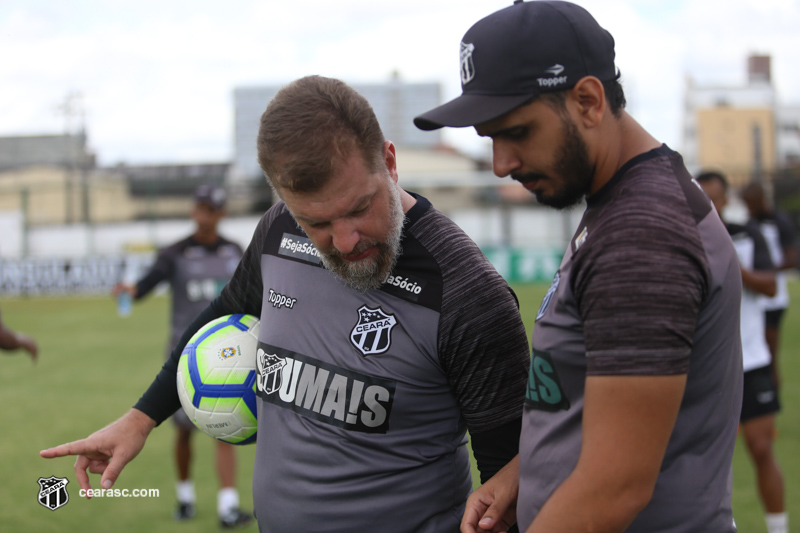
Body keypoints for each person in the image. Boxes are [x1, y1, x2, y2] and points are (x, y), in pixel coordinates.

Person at [41, 75, 531, 533]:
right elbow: (221, 314)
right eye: (316, 223)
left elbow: (508, 492)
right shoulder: (277, 231)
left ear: (390, 161)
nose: (344, 241)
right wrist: (141, 417)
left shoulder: (469, 296)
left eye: (360, 207)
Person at [414, 2, 743, 532]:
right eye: (490, 138)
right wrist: (528, 471)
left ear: (588, 101)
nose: (501, 163)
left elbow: (613, 489)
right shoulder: (617, 199)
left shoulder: (641, 232)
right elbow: (600, 409)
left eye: (517, 132)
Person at [112, 184, 252, 529]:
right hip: (185, 357)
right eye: (200, 208)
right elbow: (147, 283)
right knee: (184, 432)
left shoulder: (235, 250)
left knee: (226, 426)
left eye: (212, 209)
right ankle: (186, 497)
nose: (205, 215)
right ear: (194, 211)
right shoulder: (175, 252)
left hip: (228, 356)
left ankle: (228, 506)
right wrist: (130, 291)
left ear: (221, 214)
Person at [698, 172, 788, 533]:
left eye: (715, 199)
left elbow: (771, 286)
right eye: (702, 199)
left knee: (762, 447)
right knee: (706, 462)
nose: (711, 207)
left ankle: (779, 528)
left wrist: (734, 267)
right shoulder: (680, 236)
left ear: (725, 199)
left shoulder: (747, 235)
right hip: (706, 368)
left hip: (751, 360)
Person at [741, 182, 798, 390]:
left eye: (750, 203)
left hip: (774, 297)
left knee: (769, 357)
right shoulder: (749, 223)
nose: (748, 207)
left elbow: (792, 257)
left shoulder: (779, 221)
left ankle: (770, 395)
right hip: (755, 297)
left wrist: (765, 272)